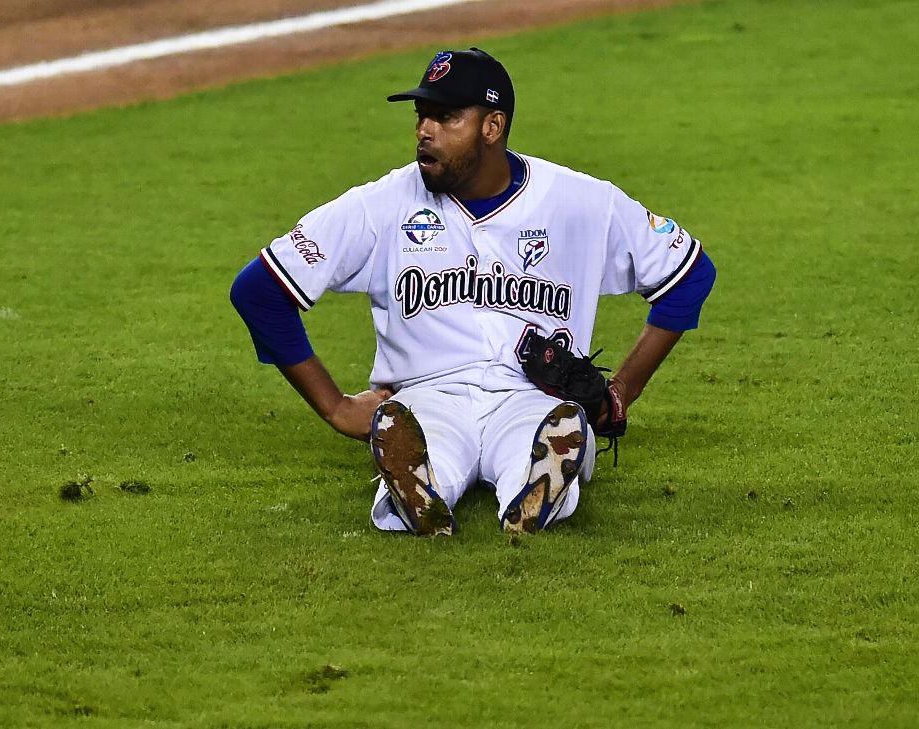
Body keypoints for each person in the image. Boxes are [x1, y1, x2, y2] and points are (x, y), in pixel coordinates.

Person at [229, 48, 715, 536]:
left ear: (492, 126)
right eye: (422, 115)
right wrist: (336, 408)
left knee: (541, 440)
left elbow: (689, 273)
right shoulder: (380, 206)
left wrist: (622, 391)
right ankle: (420, 488)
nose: (425, 130)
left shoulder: (582, 203)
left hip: (535, 396)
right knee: (425, 447)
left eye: (445, 117)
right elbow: (259, 291)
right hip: (427, 397)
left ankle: (536, 480)